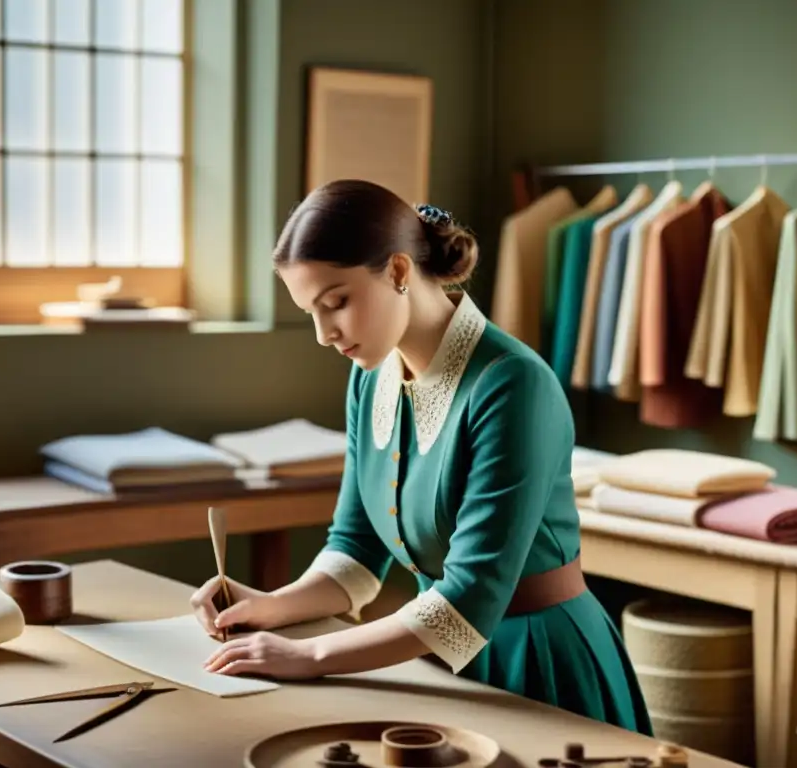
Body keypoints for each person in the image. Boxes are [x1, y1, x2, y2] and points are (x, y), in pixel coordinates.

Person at [190, 179, 653, 735]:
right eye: (310, 311)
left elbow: (470, 597)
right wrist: (272, 606)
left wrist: (309, 656)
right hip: (431, 658)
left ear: (400, 272)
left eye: (336, 303)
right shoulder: (372, 378)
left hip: (536, 661)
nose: (323, 334)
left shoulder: (512, 385)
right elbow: (355, 552)